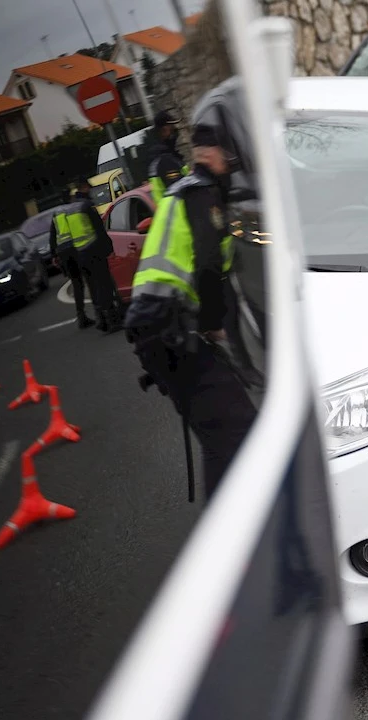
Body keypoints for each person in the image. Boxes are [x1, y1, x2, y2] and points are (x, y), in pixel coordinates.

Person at [124, 77, 258, 500]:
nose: (233, 163)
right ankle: (233, 533)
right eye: (229, 155)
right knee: (235, 426)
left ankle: (234, 525)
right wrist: (214, 324)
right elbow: (206, 269)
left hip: (160, 331)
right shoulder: (202, 196)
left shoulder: (185, 191)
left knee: (223, 431)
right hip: (169, 330)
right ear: (209, 154)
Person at [67, 181, 124, 332]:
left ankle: (101, 319)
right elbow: (99, 229)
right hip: (94, 251)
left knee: (94, 287)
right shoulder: (87, 206)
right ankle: (112, 320)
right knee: (105, 284)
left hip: (81, 253)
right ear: (84, 188)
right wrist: (109, 248)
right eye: (89, 188)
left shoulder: (71, 209)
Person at [49, 201, 94, 329]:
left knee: (76, 283)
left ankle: (81, 316)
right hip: (76, 248)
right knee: (88, 278)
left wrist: (54, 255)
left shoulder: (56, 213)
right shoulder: (75, 209)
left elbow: (52, 236)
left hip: (64, 252)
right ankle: (100, 311)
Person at [147, 110, 189, 205]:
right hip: (178, 215)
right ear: (164, 130)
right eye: (172, 128)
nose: (175, 131)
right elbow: (181, 192)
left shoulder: (160, 158)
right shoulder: (166, 161)